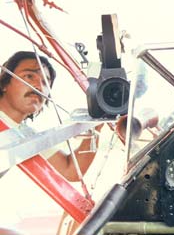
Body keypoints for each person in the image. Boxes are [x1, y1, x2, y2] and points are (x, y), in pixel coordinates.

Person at [0, 51, 101, 182]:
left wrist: (98, 122)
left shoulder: (26, 135)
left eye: (45, 82)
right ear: (4, 83)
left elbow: (71, 171)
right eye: (29, 76)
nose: (39, 87)